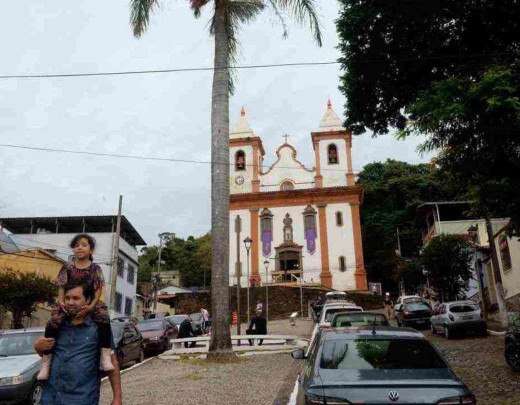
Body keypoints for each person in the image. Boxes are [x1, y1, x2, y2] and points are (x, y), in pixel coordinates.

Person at [37, 233, 113, 381]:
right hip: (69, 301)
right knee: (52, 323)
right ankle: (46, 364)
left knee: (104, 319)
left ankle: (105, 358)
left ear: (91, 250)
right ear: (73, 249)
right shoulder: (67, 267)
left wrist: (91, 306)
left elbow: (98, 290)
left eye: (84, 245)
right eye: (77, 245)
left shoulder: (95, 268)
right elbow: (61, 286)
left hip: (90, 301)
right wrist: (61, 303)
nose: (80, 248)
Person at [33, 281, 122, 405]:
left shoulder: (99, 328)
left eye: (75, 298)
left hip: (82, 398)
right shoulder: (56, 325)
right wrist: (38, 347)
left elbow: (112, 362)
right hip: (51, 397)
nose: (70, 302)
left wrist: (117, 398)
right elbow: (46, 355)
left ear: (88, 300)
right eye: (67, 298)